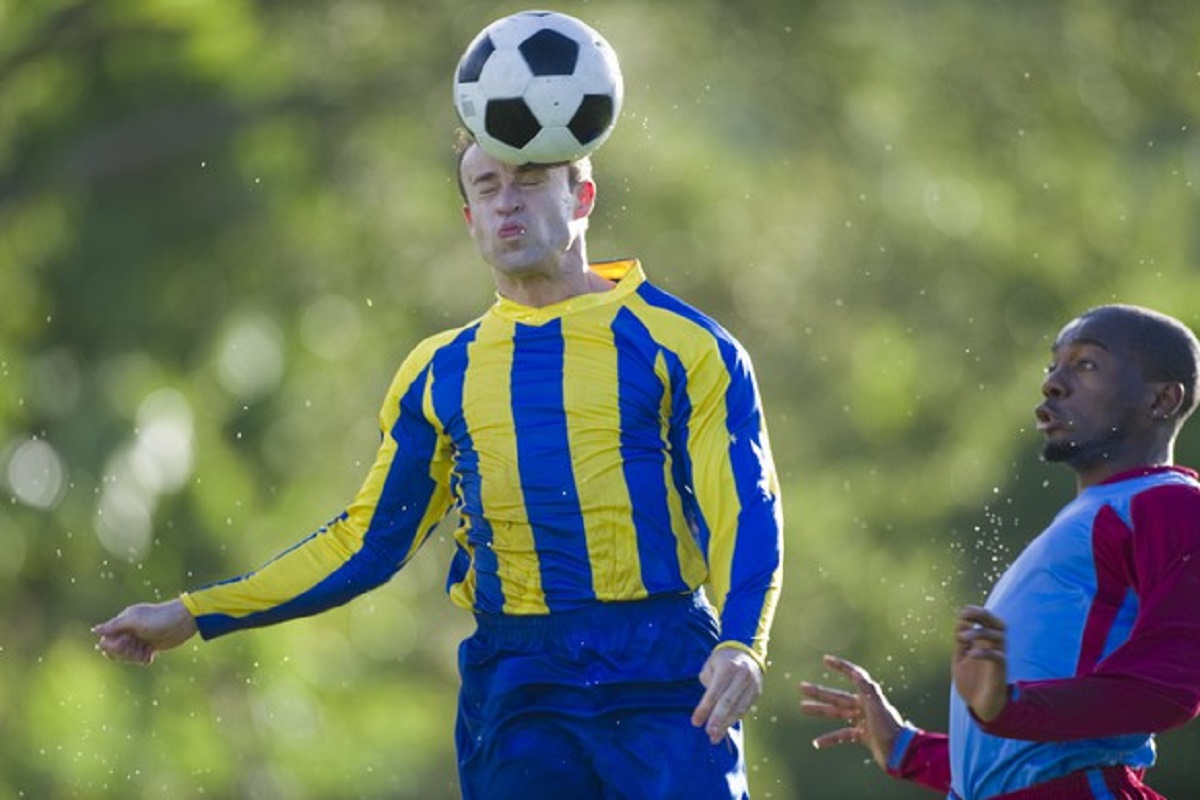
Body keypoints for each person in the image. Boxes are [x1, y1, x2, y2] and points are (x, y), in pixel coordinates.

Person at [93, 132, 784, 800]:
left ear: (583, 198)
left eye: (531, 180)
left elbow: (746, 508)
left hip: (664, 670)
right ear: (470, 218)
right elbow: (363, 544)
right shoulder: (439, 371)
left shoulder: (685, 344)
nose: (507, 202)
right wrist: (197, 613)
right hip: (517, 681)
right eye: (488, 187)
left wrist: (743, 642)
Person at [799, 304, 1200, 799]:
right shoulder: (1089, 516)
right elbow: (1023, 759)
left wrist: (1006, 705)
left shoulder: (1170, 503)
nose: (1053, 382)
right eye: (1053, 365)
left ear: (1162, 400)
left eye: (1086, 364)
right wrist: (906, 747)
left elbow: (1169, 688)